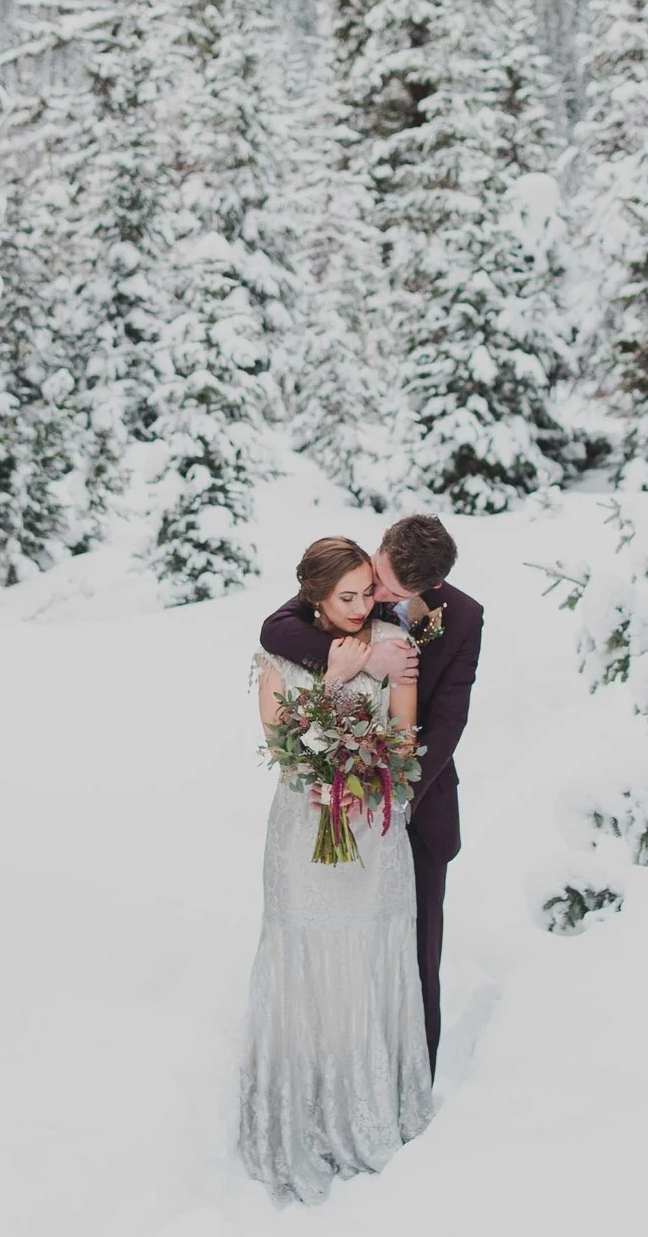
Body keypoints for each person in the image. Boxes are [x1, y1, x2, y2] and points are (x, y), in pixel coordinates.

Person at [238, 537, 435, 1202]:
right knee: (308, 958)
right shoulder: (280, 651)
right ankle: (303, 1114)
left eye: (365, 594)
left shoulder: (394, 644)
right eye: (345, 597)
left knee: (368, 958)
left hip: (372, 835)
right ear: (314, 596)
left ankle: (371, 1110)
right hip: (302, 831)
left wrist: (374, 776)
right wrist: (331, 684)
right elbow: (279, 741)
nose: (360, 607)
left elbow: (405, 739)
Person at [258, 513, 481, 1073]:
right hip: (325, 799)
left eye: (391, 593)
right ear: (381, 545)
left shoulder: (464, 619)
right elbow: (276, 631)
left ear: (425, 590)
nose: (375, 598)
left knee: (413, 951)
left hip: (417, 803)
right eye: (376, 579)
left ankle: (412, 1080)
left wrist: (391, 791)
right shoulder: (352, 579)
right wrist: (362, 659)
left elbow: (448, 723)